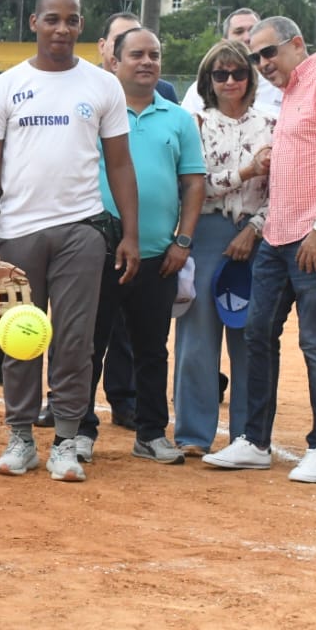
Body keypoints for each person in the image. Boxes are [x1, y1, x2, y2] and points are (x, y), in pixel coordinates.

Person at [0, 0, 140, 483]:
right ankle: (20, 438)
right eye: (52, 19)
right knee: (20, 338)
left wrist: (129, 234)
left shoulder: (103, 85)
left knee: (74, 340)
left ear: (81, 26)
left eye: (71, 20)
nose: (62, 28)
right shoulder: (2, 87)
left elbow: (121, 165)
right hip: (19, 232)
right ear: (35, 23)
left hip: (82, 230)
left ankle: (66, 441)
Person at [203, 16, 316, 483]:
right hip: (278, 235)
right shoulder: (292, 91)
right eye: (256, 56)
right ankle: (255, 441)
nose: (261, 64)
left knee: (315, 341)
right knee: (257, 335)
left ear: (296, 44)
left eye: (268, 53)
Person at [77, 28, 204, 465]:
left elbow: (193, 182)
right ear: (113, 61)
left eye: (154, 54)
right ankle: (79, 432)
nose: (147, 61)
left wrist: (182, 240)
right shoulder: (94, 115)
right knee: (89, 347)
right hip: (98, 251)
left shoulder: (179, 118)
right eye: (136, 54)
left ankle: (150, 433)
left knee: (152, 348)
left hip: (158, 255)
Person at [173, 39, 274, 457]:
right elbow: (196, 187)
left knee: (251, 334)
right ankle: (194, 433)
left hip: (259, 235)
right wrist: (246, 170)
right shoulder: (195, 124)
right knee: (197, 335)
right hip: (208, 230)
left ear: (250, 79)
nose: (230, 80)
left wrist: (255, 228)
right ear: (208, 81)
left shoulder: (272, 124)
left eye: (238, 73)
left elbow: (285, 190)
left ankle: (247, 435)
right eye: (220, 74)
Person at [181, 8, 283, 117]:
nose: (247, 37)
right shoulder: (198, 92)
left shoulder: (279, 85)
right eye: (239, 31)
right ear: (225, 40)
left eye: (253, 31)